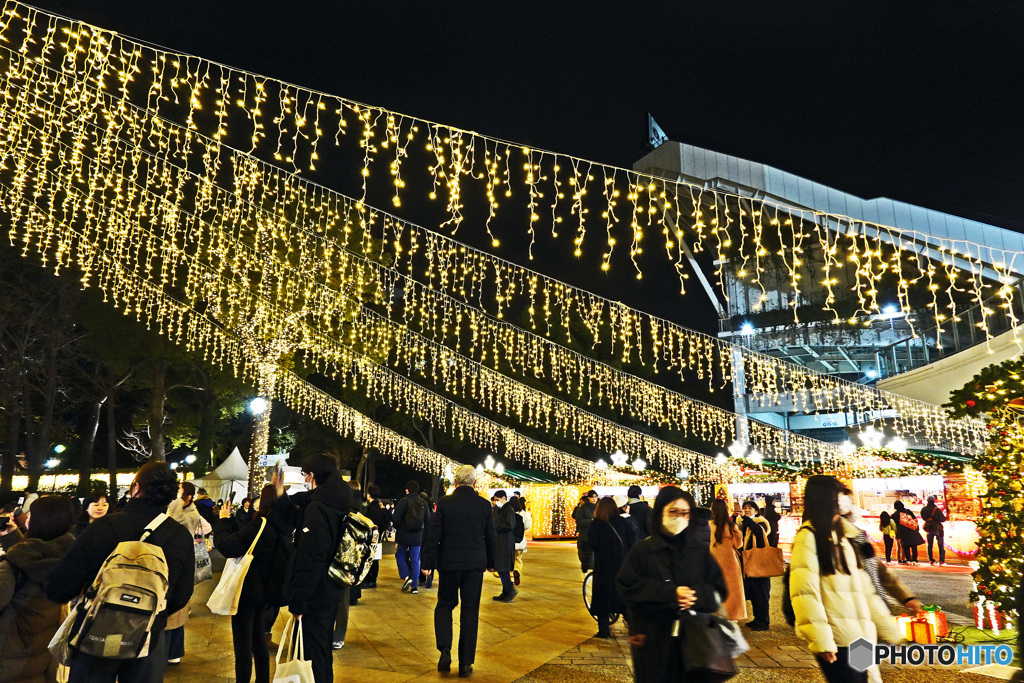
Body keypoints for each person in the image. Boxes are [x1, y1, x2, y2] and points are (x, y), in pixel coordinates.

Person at [45, 462, 195, 683]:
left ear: (135, 488)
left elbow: (59, 587)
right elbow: (182, 595)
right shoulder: (180, 536)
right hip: (148, 640)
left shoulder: (104, 527)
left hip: (95, 634)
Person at [790, 476, 901, 683]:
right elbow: (805, 593)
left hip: (860, 636)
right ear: (826, 498)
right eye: (839, 493)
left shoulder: (842, 535)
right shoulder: (808, 536)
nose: (846, 498)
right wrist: (821, 640)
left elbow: (865, 589)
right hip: (838, 638)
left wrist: (888, 628)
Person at [616, 487, 727, 681]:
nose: (679, 518)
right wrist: (668, 594)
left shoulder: (697, 551)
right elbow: (626, 587)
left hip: (694, 640)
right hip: (653, 640)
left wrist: (696, 596)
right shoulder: (642, 550)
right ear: (660, 513)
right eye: (673, 511)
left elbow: (718, 591)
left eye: (684, 513)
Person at [278, 452, 351, 683]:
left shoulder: (319, 507)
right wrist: (281, 494)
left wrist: (299, 602)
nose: (303, 479)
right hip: (331, 588)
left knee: (314, 654)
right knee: (321, 652)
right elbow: (301, 502)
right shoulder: (336, 498)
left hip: (316, 594)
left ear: (311, 475)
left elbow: (311, 559)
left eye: (304, 475)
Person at [421, 465, 497, 679]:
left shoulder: (445, 503)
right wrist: (492, 562)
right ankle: (465, 663)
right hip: (474, 565)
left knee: (445, 605)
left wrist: (427, 563)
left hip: (449, 563)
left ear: (455, 482)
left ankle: (445, 648)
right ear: (474, 483)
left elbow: (433, 534)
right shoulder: (483, 505)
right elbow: (490, 536)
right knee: (470, 611)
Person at [215, 480, 293, 683]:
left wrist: (223, 520)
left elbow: (227, 545)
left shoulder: (262, 524)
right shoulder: (284, 526)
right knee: (258, 641)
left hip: (247, 591)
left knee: (243, 645)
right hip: (266, 592)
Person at [0, 495, 76, 683]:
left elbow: (22, 564)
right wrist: (12, 536)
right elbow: (35, 559)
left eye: (31, 514)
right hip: (41, 656)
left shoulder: (12, 566)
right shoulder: (68, 557)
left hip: (9, 659)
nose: (27, 517)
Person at [838, 490, 922, 616]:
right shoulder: (830, 540)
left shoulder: (857, 534)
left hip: (875, 609)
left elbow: (879, 570)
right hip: (856, 613)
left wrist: (906, 597)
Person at [165, 481, 208, 664]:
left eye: (179, 493)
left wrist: (175, 502)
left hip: (180, 562)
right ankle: (173, 651)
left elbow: (168, 522)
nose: (175, 496)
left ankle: (171, 651)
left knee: (176, 606)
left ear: (188, 497)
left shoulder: (189, 514)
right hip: (175, 561)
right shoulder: (187, 510)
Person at [588, 497, 632, 638]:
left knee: (603, 597)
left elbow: (592, 543)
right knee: (622, 597)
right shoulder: (622, 522)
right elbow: (631, 540)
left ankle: (604, 630)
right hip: (622, 565)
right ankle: (634, 628)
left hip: (604, 566)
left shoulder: (597, 524)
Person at [331, 479, 367, 650]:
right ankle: (338, 635)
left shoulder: (344, 509)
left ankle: (336, 634)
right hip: (350, 559)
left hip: (339, 556)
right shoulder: (360, 508)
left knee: (339, 598)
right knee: (343, 600)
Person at [710, 498, 746, 622]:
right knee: (732, 592)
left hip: (713, 562)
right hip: (730, 563)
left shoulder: (708, 526)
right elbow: (738, 544)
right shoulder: (731, 526)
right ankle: (731, 616)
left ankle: (716, 615)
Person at [739, 499, 772, 631]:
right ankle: (757, 619)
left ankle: (764, 621)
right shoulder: (744, 523)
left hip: (760, 562)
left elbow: (759, 533)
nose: (747, 510)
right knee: (753, 593)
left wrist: (746, 520)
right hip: (749, 561)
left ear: (756, 511)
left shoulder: (761, 522)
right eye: (745, 508)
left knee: (761, 593)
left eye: (750, 508)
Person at [393, 480, 429, 595]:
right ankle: (414, 587)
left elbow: (396, 519)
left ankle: (406, 576)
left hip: (404, 534)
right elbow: (428, 519)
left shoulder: (403, 502)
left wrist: (400, 528)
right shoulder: (423, 503)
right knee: (415, 559)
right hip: (418, 535)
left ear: (407, 490)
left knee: (400, 555)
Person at [491, 489, 517, 602]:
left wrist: (496, 526)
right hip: (500, 541)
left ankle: (510, 590)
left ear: (504, 498)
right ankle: (505, 592)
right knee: (502, 568)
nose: (496, 502)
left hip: (505, 542)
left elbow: (509, 525)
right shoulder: (500, 509)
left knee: (502, 568)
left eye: (498, 500)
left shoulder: (509, 510)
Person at [362, 484, 389, 589]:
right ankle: (372, 580)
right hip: (378, 537)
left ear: (369, 495)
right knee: (375, 559)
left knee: (371, 559)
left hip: (372, 537)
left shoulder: (372, 508)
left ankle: (371, 580)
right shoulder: (380, 507)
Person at [572, 490, 598, 572]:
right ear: (589, 498)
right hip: (585, 535)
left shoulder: (599, 507)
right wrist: (591, 520)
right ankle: (585, 567)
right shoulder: (582, 509)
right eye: (592, 497)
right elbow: (579, 521)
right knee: (585, 554)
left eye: (595, 497)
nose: (594, 499)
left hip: (597, 535)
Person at [892, 501, 924, 565]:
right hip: (912, 531)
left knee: (906, 547)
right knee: (914, 546)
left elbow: (893, 524)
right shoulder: (908, 511)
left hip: (903, 532)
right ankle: (915, 560)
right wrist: (916, 528)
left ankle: (908, 560)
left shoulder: (895, 514)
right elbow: (915, 519)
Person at [920, 496, 947, 565]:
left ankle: (931, 559)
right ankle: (941, 560)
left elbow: (923, 517)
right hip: (938, 528)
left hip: (929, 528)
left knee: (929, 545)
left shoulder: (923, 509)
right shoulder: (936, 509)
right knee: (940, 544)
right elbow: (942, 519)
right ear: (934, 501)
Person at [512, 497, 532, 586]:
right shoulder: (523, 513)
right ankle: (517, 571)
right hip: (520, 540)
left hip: (510, 540)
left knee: (510, 559)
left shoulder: (509, 512)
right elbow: (527, 526)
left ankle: (511, 577)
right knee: (518, 559)